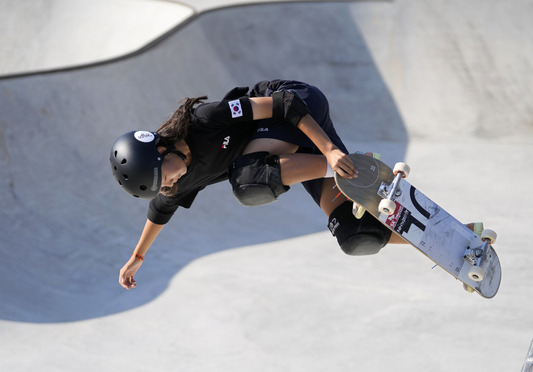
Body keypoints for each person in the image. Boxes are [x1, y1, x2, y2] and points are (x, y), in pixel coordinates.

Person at [110, 79, 404, 290]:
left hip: (298, 105)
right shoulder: (178, 182)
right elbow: (160, 210)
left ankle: (355, 169)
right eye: (162, 187)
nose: (170, 184)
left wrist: (330, 151)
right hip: (287, 150)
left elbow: (285, 105)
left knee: (249, 182)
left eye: (164, 177)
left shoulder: (205, 121)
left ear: (162, 149)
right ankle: (435, 246)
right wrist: (137, 257)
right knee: (355, 234)